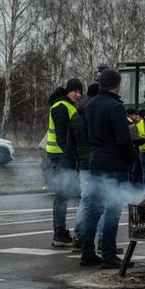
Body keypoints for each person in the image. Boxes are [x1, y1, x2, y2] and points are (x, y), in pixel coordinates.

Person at [76, 68, 135, 268]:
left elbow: (86, 135)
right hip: (115, 164)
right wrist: (132, 159)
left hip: (95, 161)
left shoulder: (89, 104)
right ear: (117, 85)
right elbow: (124, 140)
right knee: (113, 209)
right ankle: (109, 254)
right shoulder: (116, 107)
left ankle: (87, 252)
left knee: (94, 209)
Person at [47, 78, 84, 247]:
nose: (78, 94)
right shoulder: (61, 106)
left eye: (80, 92)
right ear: (68, 91)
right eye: (75, 91)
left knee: (65, 194)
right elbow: (63, 136)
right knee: (63, 195)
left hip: (62, 155)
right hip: (60, 156)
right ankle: (59, 232)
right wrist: (71, 157)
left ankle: (60, 232)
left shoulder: (68, 105)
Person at [65, 81, 99, 252]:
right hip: (98, 162)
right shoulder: (95, 113)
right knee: (102, 201)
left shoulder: (75, 115)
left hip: (83, 164)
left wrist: (77, 161)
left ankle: (79, 236)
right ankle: (102, 241)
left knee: (85, 201)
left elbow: (70, 144)